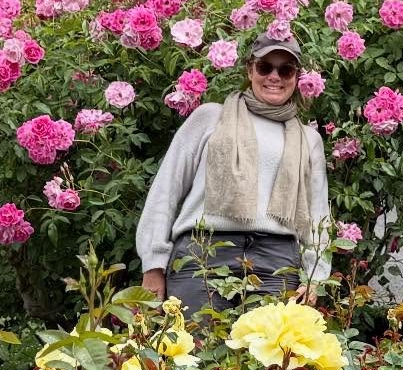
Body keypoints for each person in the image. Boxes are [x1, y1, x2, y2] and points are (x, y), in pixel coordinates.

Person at [136, 35, 331, 313]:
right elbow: (166, 189)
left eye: (285, 70)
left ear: (296, 77)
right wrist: (154, 263)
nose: (274, 76)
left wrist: (316, 277)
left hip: (276, 262)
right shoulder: (209, 118)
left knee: (269, 355)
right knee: (195, 350)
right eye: (265, 67)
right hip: (202, 252)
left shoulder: (308, 139)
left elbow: (318, 214)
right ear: (250, 70)